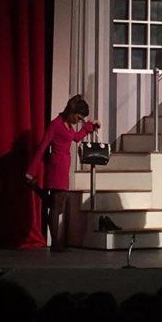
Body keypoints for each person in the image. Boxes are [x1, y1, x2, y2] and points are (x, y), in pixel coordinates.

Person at [25, 94, 99, 251]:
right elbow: (42, 147)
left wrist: (89, 126)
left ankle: (36, 188)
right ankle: (56, 243)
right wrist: (31, 170)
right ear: (71, 112)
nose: (78, 121)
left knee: (56, 205)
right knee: (57, 206)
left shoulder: (68, 126)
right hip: (56, 167)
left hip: (64, 166)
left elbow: (76, 138)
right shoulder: (56, 125)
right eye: (78, 118)